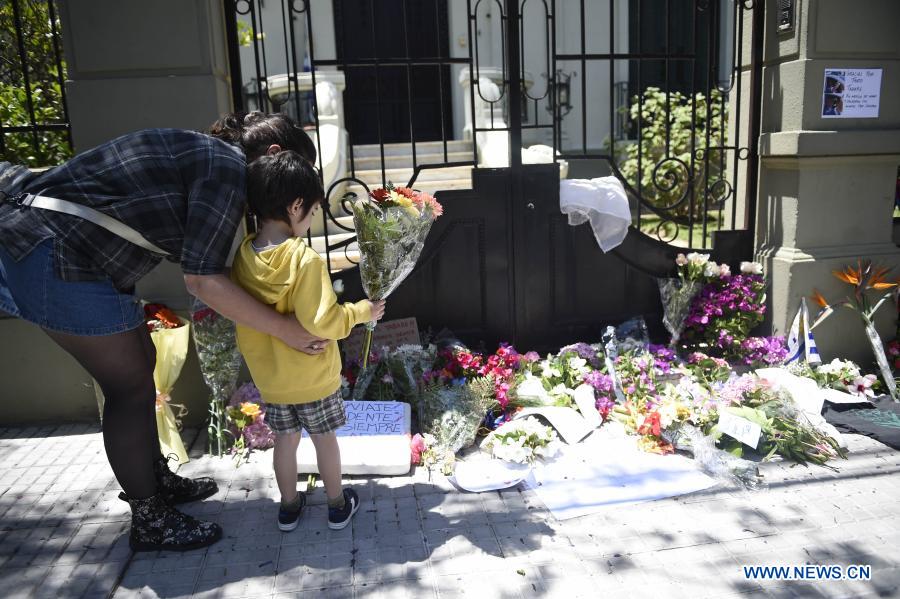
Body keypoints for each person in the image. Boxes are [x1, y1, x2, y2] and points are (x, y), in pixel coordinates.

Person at [0, 112, 330, 551]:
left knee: (142, 362)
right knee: (129, 387)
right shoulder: (225, 170)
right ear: (274, 155)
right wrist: (285, 331)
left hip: (72, 253)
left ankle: (154, 480)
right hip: (56, 257)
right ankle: (150, 517)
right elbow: (202, 280)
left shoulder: (211, 158)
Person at [230, 151, 385, 531]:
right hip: (313, 378)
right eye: (314, 210)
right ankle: (336, 504)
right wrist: (362, 311)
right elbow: (323, 322)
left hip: (273, 381)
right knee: (324, 439)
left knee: (285, 441)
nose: (312, 218)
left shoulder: (243, 257)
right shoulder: (305, 260)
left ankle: (288, 507)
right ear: (296, 204)